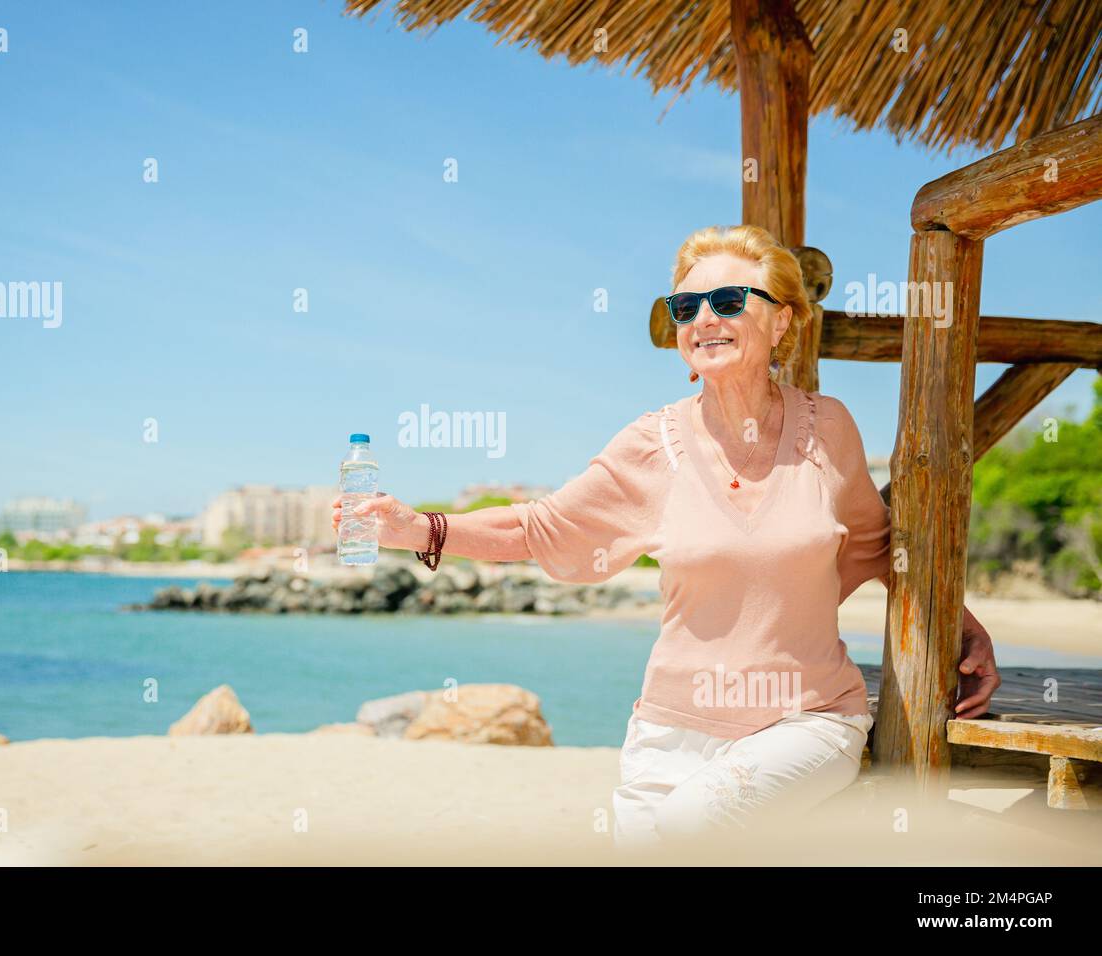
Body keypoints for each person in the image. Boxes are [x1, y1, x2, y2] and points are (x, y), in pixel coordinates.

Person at [331, 224, 1000, 846]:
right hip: (668, 736)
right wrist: (416, 525)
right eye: (686, 308)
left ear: (782, 319)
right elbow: (542, 525)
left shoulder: (829, 429)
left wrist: (957, 621)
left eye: (730, 299)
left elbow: (878, 544)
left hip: (807, 720)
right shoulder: (651, 444)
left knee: (680, 839)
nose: (704, 318)